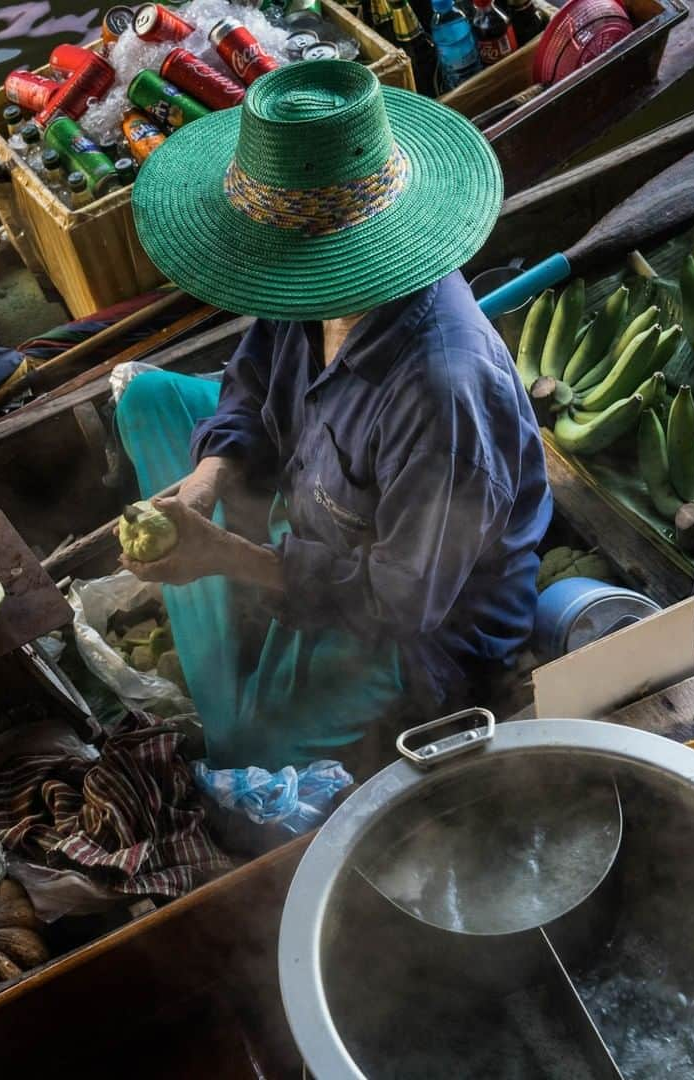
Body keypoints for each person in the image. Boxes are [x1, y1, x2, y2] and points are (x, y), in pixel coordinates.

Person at [115, 60, 552, 774]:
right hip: (315, 501)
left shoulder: (442, 396)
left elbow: (400, 602)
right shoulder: (309, 288)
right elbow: (250, 383)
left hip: (424, 628)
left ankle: (235, 621)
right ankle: (237, 598)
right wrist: (209, 478)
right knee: (149, 401)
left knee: (243, 746)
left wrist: (227, 556)